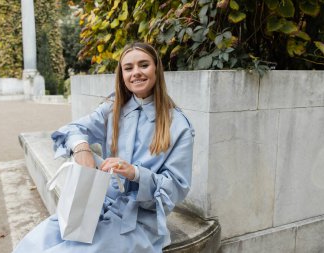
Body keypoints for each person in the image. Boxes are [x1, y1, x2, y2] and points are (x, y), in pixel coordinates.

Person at [13, 42, 195, 253]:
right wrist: (81, 148)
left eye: (143, 65)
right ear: (122, 75)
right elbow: (72, 129)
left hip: (138, 223)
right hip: (95, 207)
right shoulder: (112, 109)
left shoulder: (179, 125)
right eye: (128, 68)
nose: (136, 73)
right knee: (32, 244)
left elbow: (176, 188)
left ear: (156, 68)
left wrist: (135, 173)